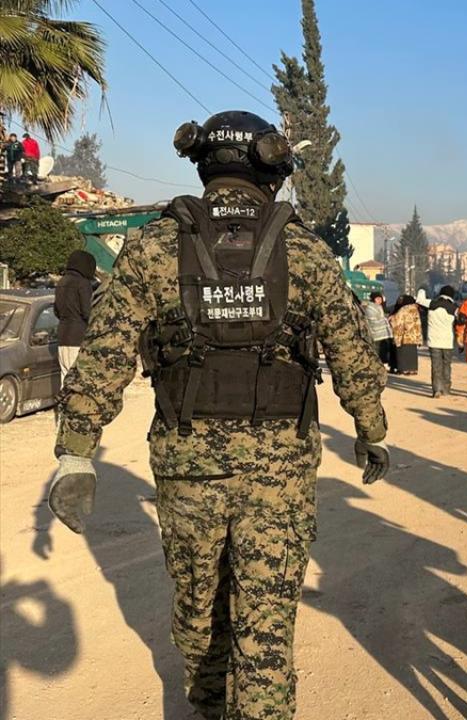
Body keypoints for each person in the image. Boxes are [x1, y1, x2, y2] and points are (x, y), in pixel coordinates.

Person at [47, 110, 390, 720]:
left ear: (204, 166)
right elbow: (352, 352)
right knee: (265, 634)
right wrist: (372, 430)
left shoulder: (154, 246)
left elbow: (105, 354)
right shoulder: (306, 250)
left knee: (198, 617)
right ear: (271, 171)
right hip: (280, 475)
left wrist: (76, 452)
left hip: (187, 470)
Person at [53, 249, 96, 379]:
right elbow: (88, 312)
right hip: (78, 337)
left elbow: (56, 311)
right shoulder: (83, 283)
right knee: (78, 378)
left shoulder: (61, 282)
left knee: (65, 376)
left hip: (62, 336)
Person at [425, 285, 458, 398]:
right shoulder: (454, 308)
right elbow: (461, 320)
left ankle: (437, 390)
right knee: (446, 365)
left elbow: (419, 300)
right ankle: (446, 389)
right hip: (447, 341)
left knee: (436, 366)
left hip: (433, 341)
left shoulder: (431, 304)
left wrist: (422, 290)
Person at [389, 294, 422, 375]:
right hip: (414, 336)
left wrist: (391, 318)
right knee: (412, 353)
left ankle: (404, 369)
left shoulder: (403, 309)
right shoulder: (415, 310)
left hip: (404, 336)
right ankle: (413, 369)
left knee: (403, 353)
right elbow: (418, 324)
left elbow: (397, 321)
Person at [361, 290, 394, 368]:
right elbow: (373, 320)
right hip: (376, 334)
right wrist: (385, 320)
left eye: (380, 299)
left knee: (384, 350)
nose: (380, 300)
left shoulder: (379, 307)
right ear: (373, 299)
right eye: (378, 299)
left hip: (384, 333)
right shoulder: (370, 308)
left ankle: (384, 363)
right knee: (378, 350)